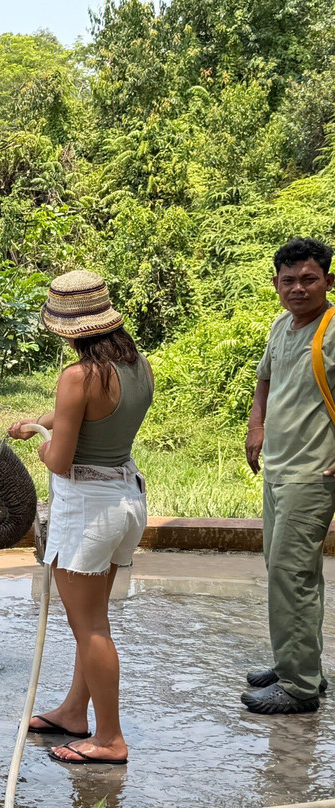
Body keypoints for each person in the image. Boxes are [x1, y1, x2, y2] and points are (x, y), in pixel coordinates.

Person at [7, 269, 152, 765]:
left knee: (90, 627)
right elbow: (87, 417)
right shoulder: (136, 366)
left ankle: (110, 739)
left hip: (87, 509)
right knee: (91, 618)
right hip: (126, 500)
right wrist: (39, 422)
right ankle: (74, 711)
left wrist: (42, 441)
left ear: (66, 328)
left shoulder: (77, 376)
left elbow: (61, 461)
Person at [242, 236, 335, 715]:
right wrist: (256, 426)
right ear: (276, 285)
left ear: (328, 281)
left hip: (314, 472)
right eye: (288, 281)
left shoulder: (334, 329)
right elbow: (265, 380)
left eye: (308, 279)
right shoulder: (282, 326)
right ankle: (298, 665)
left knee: (291, 574)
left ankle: (299, 689)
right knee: (286, 571)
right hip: (278, 467)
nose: (298, 288)